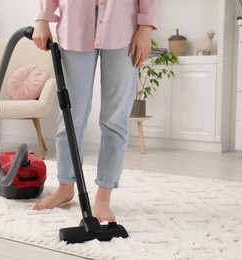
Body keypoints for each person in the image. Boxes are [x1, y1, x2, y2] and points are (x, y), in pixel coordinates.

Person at [32, 0, 158, 223]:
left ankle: (103, 198)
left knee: (115, 119)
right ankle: (65, 187)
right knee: (71, 117)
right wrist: (43, 17)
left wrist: (146, 26)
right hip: (75, 24)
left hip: (124, 28)